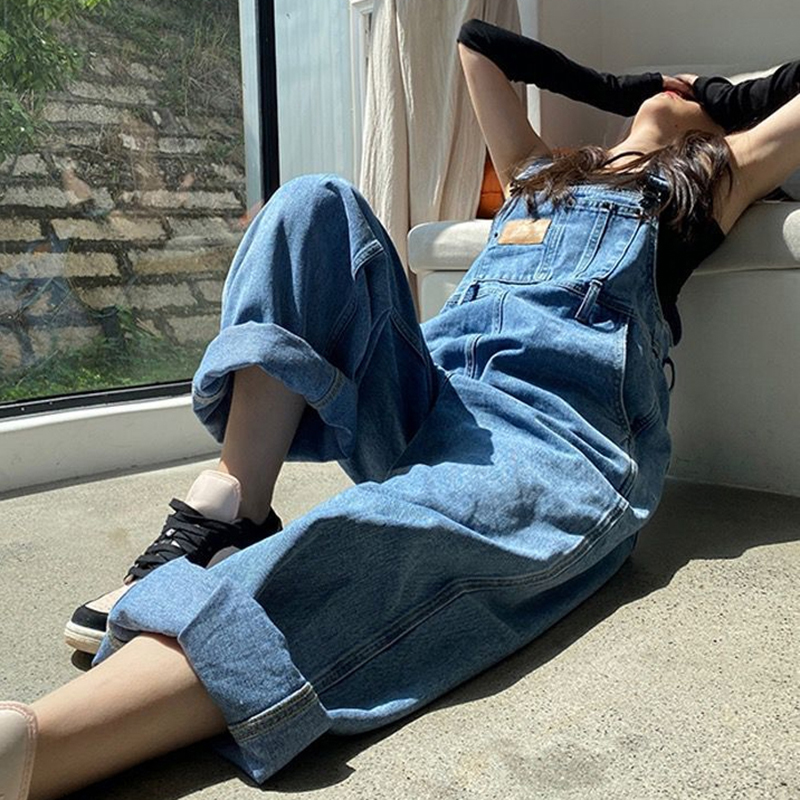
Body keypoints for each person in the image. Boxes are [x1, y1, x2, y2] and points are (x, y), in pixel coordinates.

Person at [3, 20, 800, 800]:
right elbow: (478, 45)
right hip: (433, 396)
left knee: (385, 531)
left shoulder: (707, 183)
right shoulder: (537, 172)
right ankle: (232, 513)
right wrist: (631, 91)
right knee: (312, 203)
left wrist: (720, 98)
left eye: (696, 99)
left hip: (551, 433)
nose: (673, 92)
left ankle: (47, 741)